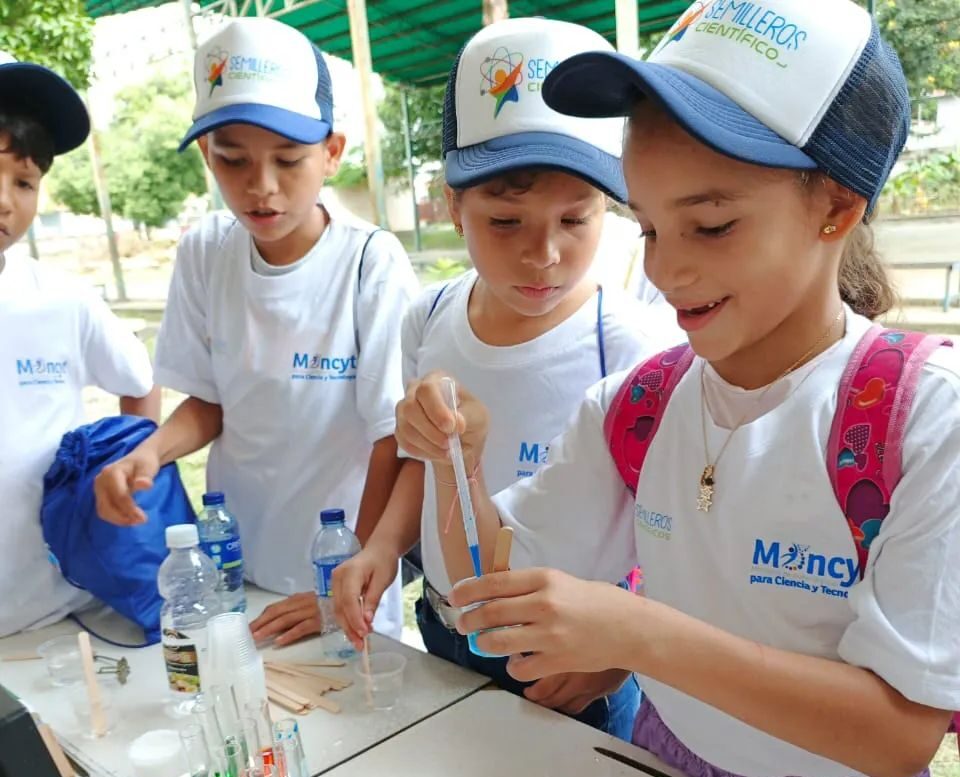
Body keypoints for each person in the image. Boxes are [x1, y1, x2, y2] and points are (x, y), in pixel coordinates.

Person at [396, 2, 960, 776]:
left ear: (836, 205)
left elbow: (897, 733)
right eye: (651, 229)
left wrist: (635, 634)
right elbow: (489, 603)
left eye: (712, 226)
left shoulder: (921, 416)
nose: (664, 272)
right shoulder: (639, 406)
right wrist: (455, 458)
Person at [332, 18, 682, 741]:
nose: (544, 254)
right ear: (454, 207)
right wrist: (379, 547)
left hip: (569, 657)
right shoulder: (428, 316)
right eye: (504, 220)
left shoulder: (633, 345)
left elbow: (670, 532)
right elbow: (421, 462)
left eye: (575, 219)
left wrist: (614, 659)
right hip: (446, 623)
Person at [94, 19, 418, 641]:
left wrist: (349, 575)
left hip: (342, 578)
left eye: (288, 160)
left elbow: (390, 439)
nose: (260, 187)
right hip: (237, 562)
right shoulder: (206, 251)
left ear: (331, 152)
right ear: (205, 155)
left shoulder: (368, 263)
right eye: (232, 159)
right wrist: (148, 453)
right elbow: (211, 402)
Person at [0, 52, 158, 636]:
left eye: (24, 181)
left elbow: (138, 384)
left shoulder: (63, 301)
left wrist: (121, 474)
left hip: (54, 618)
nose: (6, 201)